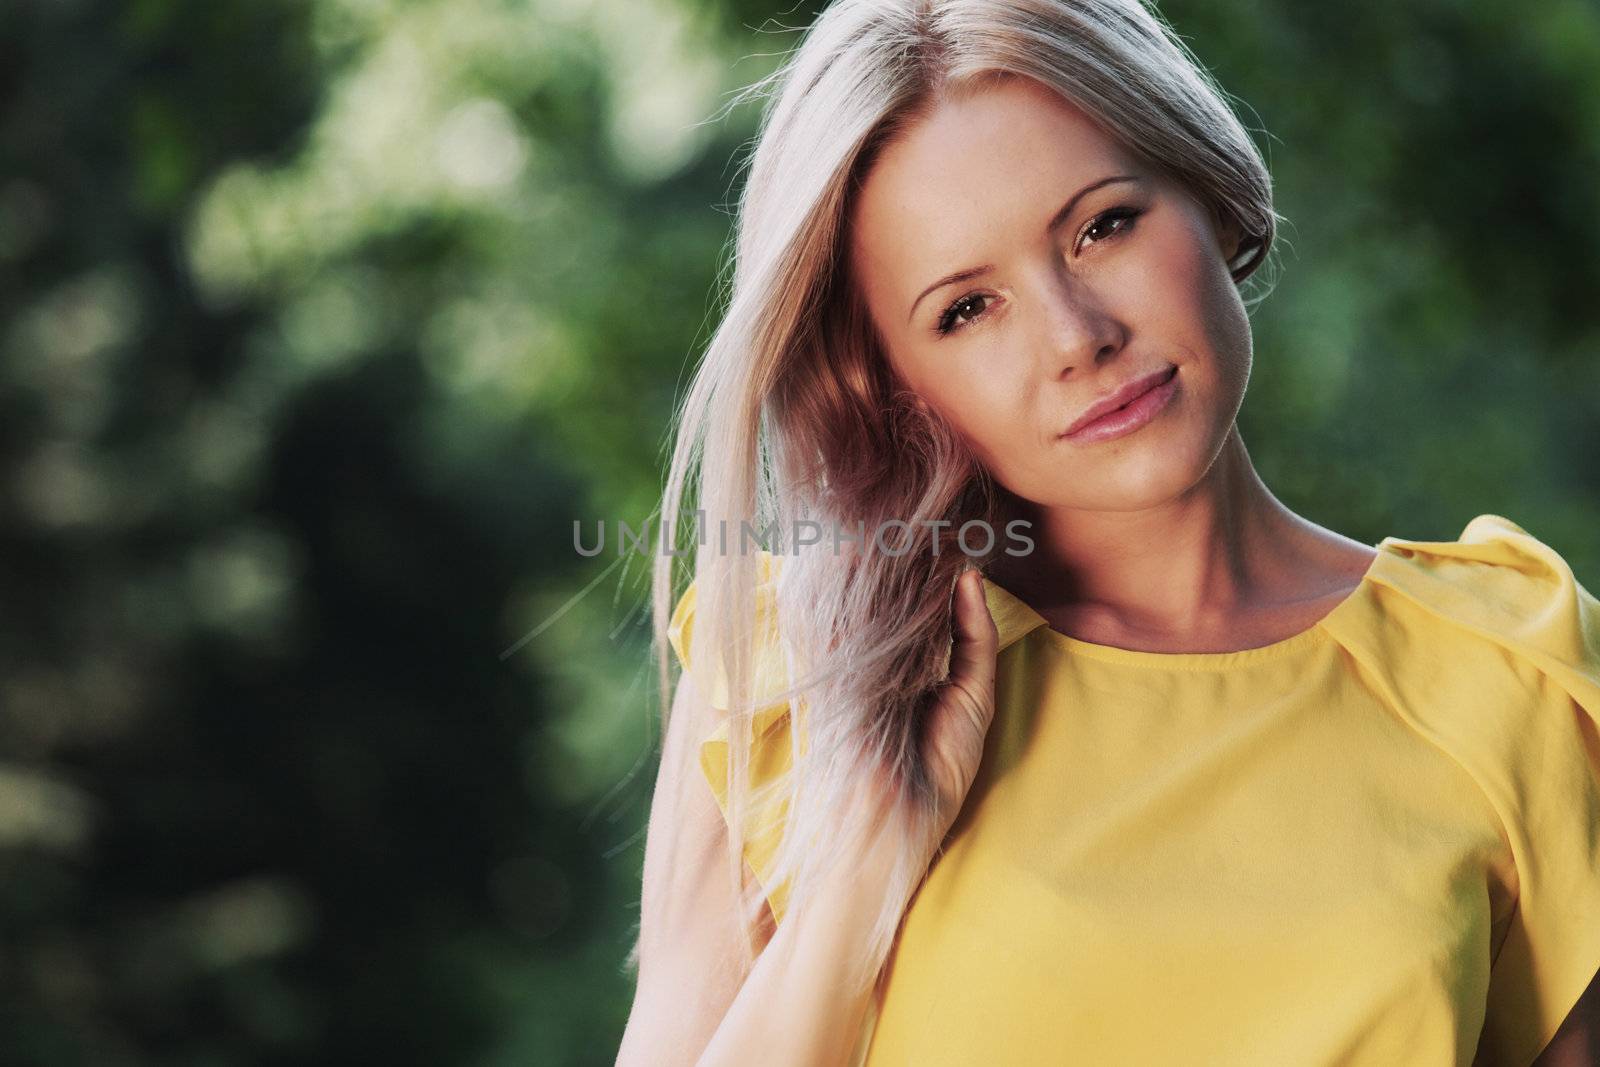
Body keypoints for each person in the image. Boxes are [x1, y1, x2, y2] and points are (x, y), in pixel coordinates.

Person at [616, 1, 1600, 1064]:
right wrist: (860, 868)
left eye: (1102, 225)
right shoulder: (795, 680)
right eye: (966, 309)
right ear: (892, 387)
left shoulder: (1515, 676)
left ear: (1213, 199)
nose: (1077, 337)